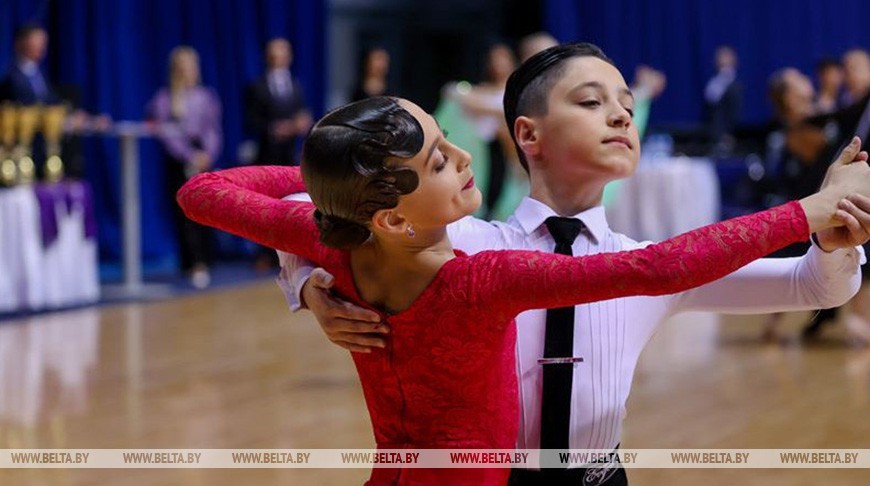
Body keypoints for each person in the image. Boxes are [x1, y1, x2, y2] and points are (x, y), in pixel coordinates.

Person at [285, 44, 870, 485]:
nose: (620, 116)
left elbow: (812, 286)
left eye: (627, 106)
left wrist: (836, 240)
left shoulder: (651, 266)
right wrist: (314, 286)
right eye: (592, 102)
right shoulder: (456, 243)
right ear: (528, 134)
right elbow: (306, 207)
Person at [146, 46, 222, 289]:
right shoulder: (164, 99)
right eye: (183, 68)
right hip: (179, 161)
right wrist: (188, 156)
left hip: (202, 159)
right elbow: (167, 134)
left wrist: (207, 154)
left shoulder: (206, 96)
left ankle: (207, 259)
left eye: (191, 67)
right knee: (184, 214)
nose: (188, 72)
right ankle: (192, 262)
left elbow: (213, 129)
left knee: (207, 210)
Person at [454, 43, 519, 219]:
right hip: (483, 150)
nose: (499, 63)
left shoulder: (517, 91)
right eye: (494, 59)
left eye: (503, 57)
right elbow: (455, 92)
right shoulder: (481, 90)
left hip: (509, 150)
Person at [245, 37, 312, 166]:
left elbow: (301, 112)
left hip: (291, 155)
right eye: (274, 56)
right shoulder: (257, 87)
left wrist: (302, 122)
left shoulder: (296, 85)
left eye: (283, 56)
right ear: (267, 57)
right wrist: (273, 129)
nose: (279, 60)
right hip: (267, 156)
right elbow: (251, 120)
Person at [703, 45, 742, 153]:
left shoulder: (734, 86)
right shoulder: (714, 82)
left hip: (725, 136)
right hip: (712, 133)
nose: (720, 60)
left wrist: (728, 133)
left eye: (724, 57)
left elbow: (733, 112)